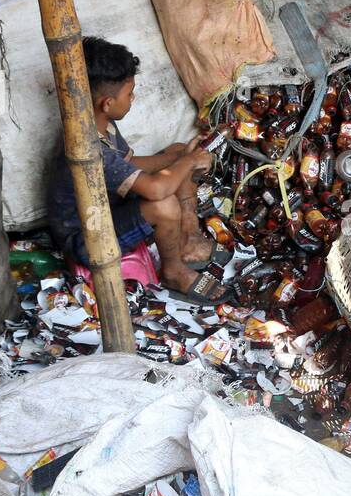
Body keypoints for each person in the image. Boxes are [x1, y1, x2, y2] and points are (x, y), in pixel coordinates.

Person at [46, 36, 234, 305]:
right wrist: (189, 162)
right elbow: (156, 189)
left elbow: (130, 164)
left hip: (109, 207)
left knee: (177, 152)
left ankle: (188, 238)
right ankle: (173, 272)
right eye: (129, 93)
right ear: (107, 103)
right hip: (87, 238)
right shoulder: (87, 149)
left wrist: (181, 157)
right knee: (164, 203)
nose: (133, 97)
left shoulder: (98, 122)